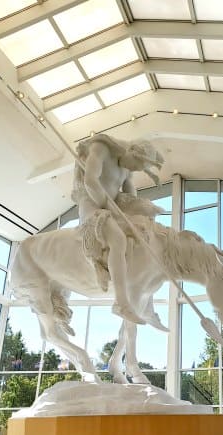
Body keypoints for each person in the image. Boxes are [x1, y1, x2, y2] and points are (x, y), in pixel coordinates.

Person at [72, 133, 164, 324]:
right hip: (91, 202)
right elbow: (90, 181)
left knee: (143, 220)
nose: (133, 171)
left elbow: (130, 194)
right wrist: (108, 206)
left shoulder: (127, 166)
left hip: (113, 205)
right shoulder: (101, 148)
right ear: (132, 152)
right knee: (118, 238)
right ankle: (121, 303)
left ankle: (146, 298)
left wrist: (139, 208)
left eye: (138, 170)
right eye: (135, 166)